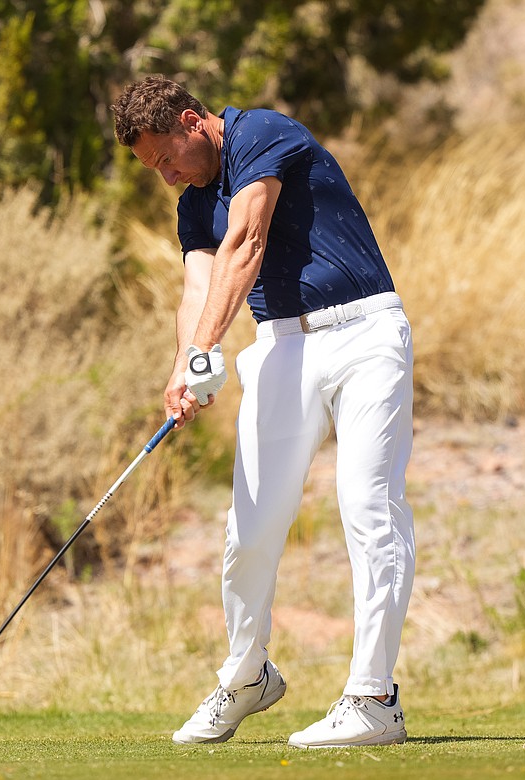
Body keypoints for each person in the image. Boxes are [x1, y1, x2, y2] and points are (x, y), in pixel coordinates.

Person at [111, 76, 415, 749]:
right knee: (248, 531)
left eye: (167, 157)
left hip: (365, 334)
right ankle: (248, 675)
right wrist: (184, 367)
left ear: (194, 121)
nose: (166, 177)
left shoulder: (263, 134)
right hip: (280, 345)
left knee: (369, 509)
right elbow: (199, 283)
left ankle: (374, 699)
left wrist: (204, 351)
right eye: (152, 168)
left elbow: (245, 242)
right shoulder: (194, 200)